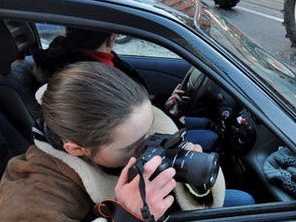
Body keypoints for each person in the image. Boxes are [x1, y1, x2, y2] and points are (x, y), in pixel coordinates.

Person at [0, 62, 223, 222]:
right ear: (75, 149)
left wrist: (183, 171)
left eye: (148, 133)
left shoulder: (113, 142)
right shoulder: (34, 192)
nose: (146, 148)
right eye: (132, 147)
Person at [33, 28, 219, 151]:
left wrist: (162, 104)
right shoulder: (90, 73)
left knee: (209, 125)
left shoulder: (101, 61)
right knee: (211, 136)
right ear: (110, 38)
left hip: (142, 126)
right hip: (140, 134)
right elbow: (120, 118)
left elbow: (127, 108)